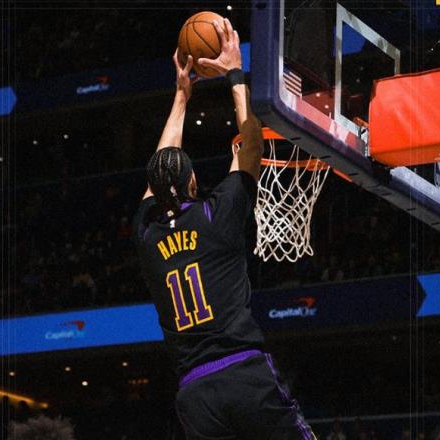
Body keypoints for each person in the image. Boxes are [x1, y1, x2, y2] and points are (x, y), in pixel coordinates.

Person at [134, 18, 315, 440]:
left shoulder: (146, 234)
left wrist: (181, 96)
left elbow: (160, 171)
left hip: (194, 394)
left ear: (153, 189)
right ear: (194, 182)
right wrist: (235, 72)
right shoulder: (216, 215)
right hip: (242, 372)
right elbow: (252, 143)